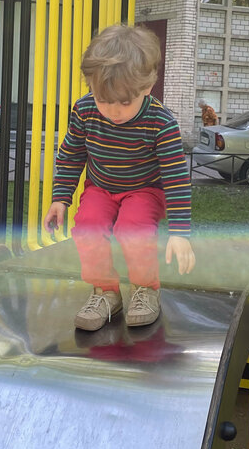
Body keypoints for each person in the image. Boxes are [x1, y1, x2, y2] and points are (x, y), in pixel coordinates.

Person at [43, 24, 196, 331]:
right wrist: (60, 198)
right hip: (101, 187)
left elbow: (176, 177)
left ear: (147, 87)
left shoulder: (161, 122)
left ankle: (145, 289)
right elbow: (72, 154)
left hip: (144, 189)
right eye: (104, 100)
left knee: (132, 228)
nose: (113, 111)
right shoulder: (85, 110)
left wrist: (180, 232)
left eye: (124, 102)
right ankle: (105, 292)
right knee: (88, 226)